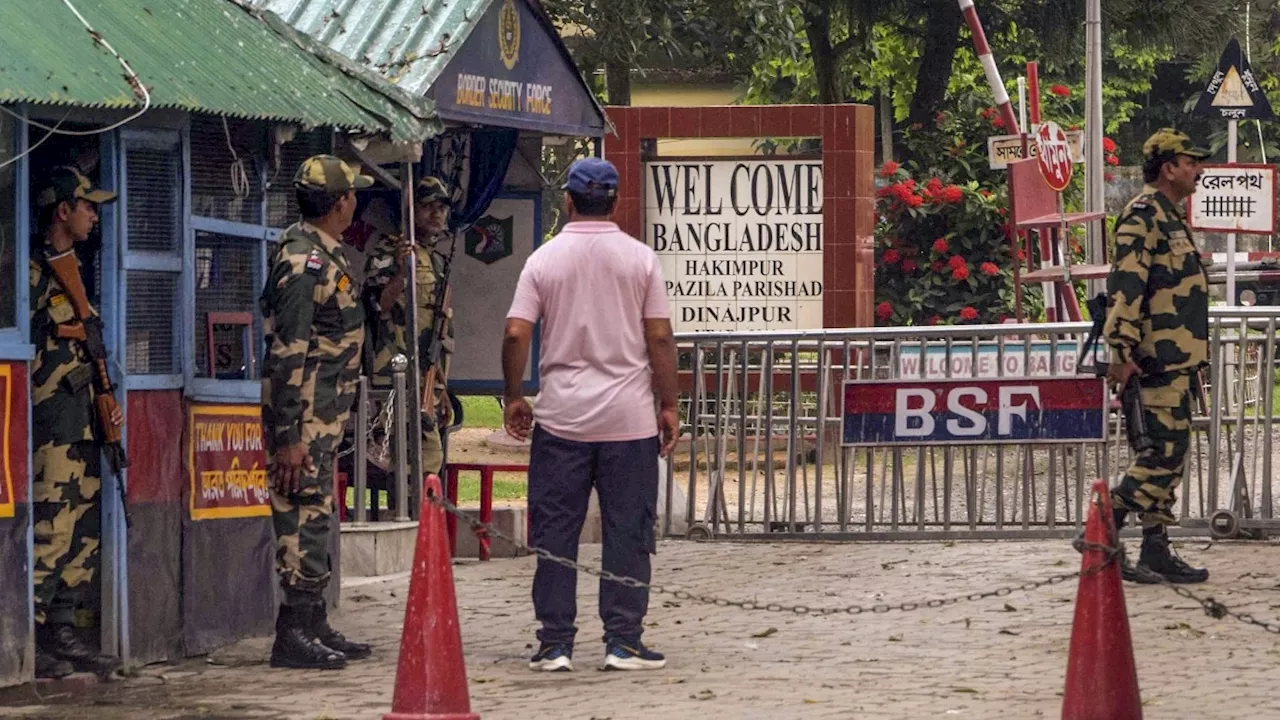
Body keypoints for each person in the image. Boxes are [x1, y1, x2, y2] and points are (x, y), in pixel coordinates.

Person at [502, 157, 679, 672]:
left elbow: (516, 332)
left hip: (560, 421)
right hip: (629, 422)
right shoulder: (641, 259)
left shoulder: (543, 260)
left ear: (569, 202)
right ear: (616, 202)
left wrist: (515, 395)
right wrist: (667, 403)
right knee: (628, 531)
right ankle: (623, 640)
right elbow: (660, 337)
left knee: (556, 531)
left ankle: (555, 643)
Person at [260, 155, 374, 669]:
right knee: (300, 515)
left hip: (323, 416)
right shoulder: (302, 263)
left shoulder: (327, 256)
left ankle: (313, 620)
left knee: (317, 512)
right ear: (342, 201)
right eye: (353, 193)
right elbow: (288, 351)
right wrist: (288, 434)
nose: (356, 200)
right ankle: (292, 632)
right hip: (302, 419)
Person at [1101, 128, 1211, 584]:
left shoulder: (1170, 216)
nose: (1198, 170)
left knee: (1174, 453)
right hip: (1153, 359)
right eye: (1190, 162)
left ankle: (1155, 548)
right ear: (1168, 168)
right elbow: (1126, 288)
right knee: (1160, 454)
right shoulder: (1143, 216)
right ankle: (1102, 528)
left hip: (1178, 359)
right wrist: (1121, 350)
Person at [29, 166, 123, 679]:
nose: (93, 214)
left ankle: (63, 630)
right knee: (52, 527)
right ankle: (35, 633)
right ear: (63, 211)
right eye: (87, 205)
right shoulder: (34, 268)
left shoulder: (77, 266)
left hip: (82, 420)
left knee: (81, 532)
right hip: (52, 421)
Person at [363, 175, 455, 479]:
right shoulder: (389, 251)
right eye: (429, 206)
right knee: (409, 460)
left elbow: (440, 331)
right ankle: (406, 520)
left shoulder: (437, 261)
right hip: (396, 372)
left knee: (425, 462)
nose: (437, 214)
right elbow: (379, 307)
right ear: (411, 210)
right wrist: (402, 272)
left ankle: (415, 520)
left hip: (428, 377)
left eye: (441, 207)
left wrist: (441, 386)